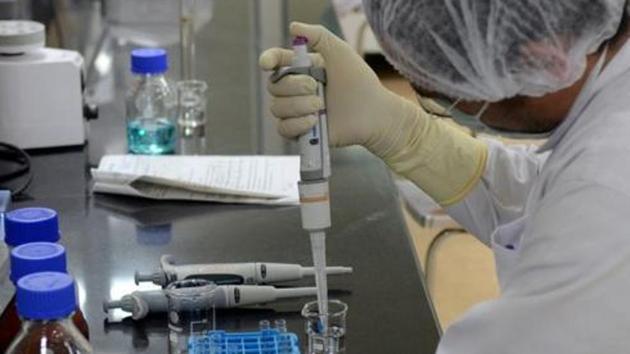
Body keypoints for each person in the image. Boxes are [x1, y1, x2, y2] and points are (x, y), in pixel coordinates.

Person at [260, 0, 630, 353]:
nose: (446, 106)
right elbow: (548, 201)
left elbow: (583, 208)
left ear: (542, 62)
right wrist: (404, 132)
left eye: (444, 96)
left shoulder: (604, 189)